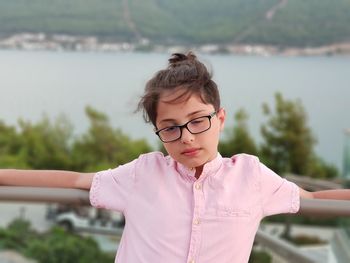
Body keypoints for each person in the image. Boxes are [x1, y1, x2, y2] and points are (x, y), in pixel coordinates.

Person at [0, 52, 349, 263]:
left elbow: (314, 199)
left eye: (198, 120)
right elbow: (75, 180)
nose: (188, 137)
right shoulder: (142, 174)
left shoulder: (251, 176)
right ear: (158, 132)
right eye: (170, 128)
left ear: (220, 118)